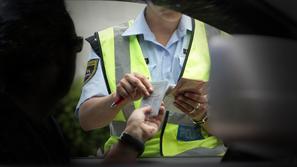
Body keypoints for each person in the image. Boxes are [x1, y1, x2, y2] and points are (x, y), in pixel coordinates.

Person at [0, 0, 164, 164]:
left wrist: (133, 138)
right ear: (57, 56)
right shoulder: (18, 138)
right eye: (76, 45)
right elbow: (86, 120)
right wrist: (131, 139)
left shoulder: (37, 124)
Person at [77, 0, 226, 157]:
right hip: (129, 159)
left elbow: (244, 130)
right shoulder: (107, 41)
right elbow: (87, 121)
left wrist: (204, 115)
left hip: (201, 160)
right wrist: (118, 98)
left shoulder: (221, 38)